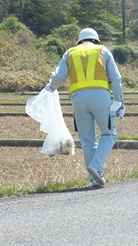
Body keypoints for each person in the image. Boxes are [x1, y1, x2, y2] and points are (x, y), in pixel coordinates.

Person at [45, 28, 124, 187]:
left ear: (80, 40)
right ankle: (96, 167)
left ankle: (94, 178)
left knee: (87, 140)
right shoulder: (103, 51)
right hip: (101, 97)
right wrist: (119, 101)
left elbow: (59, 77)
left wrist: (50, 88)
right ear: (96, 39)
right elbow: (116, 79)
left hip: (77, 99)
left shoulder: (70, 53)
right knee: (109, 134)